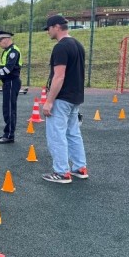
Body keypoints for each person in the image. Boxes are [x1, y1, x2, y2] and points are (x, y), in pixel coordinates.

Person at [41, 15, 88, 184]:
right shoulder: (78, 45)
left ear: (56, 27)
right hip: (75, 97)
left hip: (62, 98)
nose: (48, 32)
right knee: (73, 133)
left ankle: (61, 172)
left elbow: (59, 76)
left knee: (56, 134)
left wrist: (49, 101)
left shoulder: (61, 47)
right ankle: (79, 167)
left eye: (48, 29)